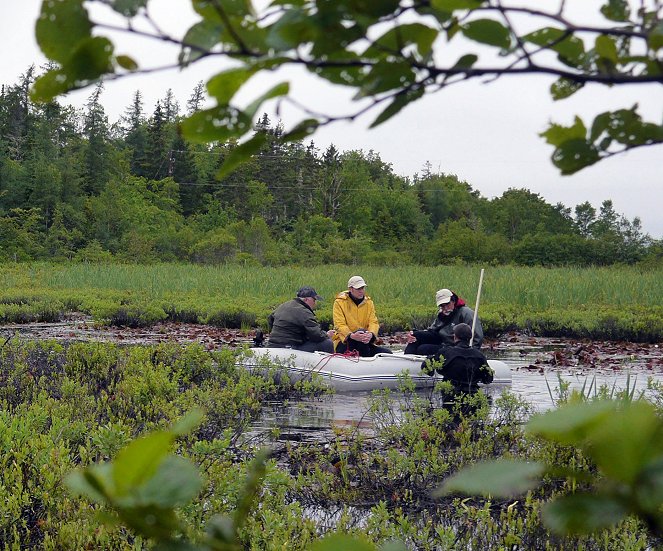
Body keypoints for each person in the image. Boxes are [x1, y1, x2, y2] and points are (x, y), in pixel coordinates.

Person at [404, 288, 483, 355]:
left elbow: (477, 337)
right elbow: (432, 330)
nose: (445, 308)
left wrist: (470, 354)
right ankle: (406, 361)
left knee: (423, 349)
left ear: (453, 301)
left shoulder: (467, 313)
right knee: (416, 335)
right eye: (442, 306)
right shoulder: (442, 314)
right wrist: (414, 334)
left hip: (456, 347)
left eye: (447, 304)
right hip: (442, 342)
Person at [422, 323, 493, 394]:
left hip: (450, 394)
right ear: (471, 338)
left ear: (455, 337)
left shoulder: (446, 352)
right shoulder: (479, 356)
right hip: (473, 394)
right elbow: (488, 378)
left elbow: (426, 368)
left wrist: (429, 358)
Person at [332, 275, 392, 357]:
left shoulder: (369, 302)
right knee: (361, 334)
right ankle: (366, 362)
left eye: (363, 288)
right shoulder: (339, 302)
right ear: (351, 289)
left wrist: (371, 334)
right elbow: (339, 324)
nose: (361, 291)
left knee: (388, 353)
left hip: (364, 341)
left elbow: (373, 322)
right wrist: (352, 335)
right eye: (358, 289)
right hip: (345, 342)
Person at [267, 286, 335, 353]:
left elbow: (270, 319)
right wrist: (327, 334)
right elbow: (317, 335)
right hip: (290, 348)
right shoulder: (304, 311)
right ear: (306, 299)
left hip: (272, 345)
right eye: (314, 300)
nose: (315, 303)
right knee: (327, 343)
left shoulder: (284, 305)